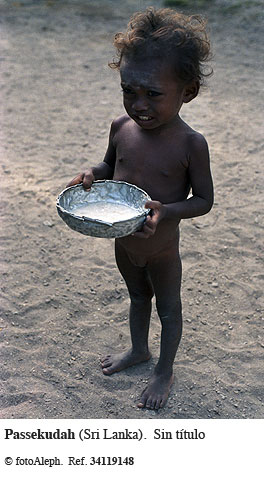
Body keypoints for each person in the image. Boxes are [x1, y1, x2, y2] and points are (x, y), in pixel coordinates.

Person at [67, 7, 214, 410]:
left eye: (153, 94)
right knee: (136, 297)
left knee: (167, 309)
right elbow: (109, 167)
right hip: (124, 239)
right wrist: (89, 174)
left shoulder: (190, 144)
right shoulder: (121, 128)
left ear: (187, 92)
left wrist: (165, 210)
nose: (139, 104)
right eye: (128, 90)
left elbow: (203, 200)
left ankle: (164, 371)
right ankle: (138, 351)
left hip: (161, 247)